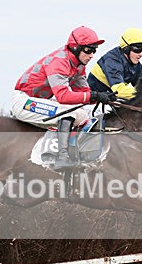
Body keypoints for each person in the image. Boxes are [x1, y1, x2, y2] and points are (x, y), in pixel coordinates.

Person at [11, 26, 116, 169]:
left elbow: (84, 93)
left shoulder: (79, 66)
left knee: (85, 113)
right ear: (75, 48)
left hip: (42, 101)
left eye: (94, 50)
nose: (92, 55)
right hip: (24, 102)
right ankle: (62, 157)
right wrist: (94, 95)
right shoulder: (59, 62)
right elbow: (63, 96)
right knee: (72, 113)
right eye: (88, 50)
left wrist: (103, 97)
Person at [88, 27, 142, 100]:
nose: (141, 54)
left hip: (110, 99)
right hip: (92, 101)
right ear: (126, 49)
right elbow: (119, 91)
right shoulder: (112, 60)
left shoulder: (138, 67)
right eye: (137, 50)